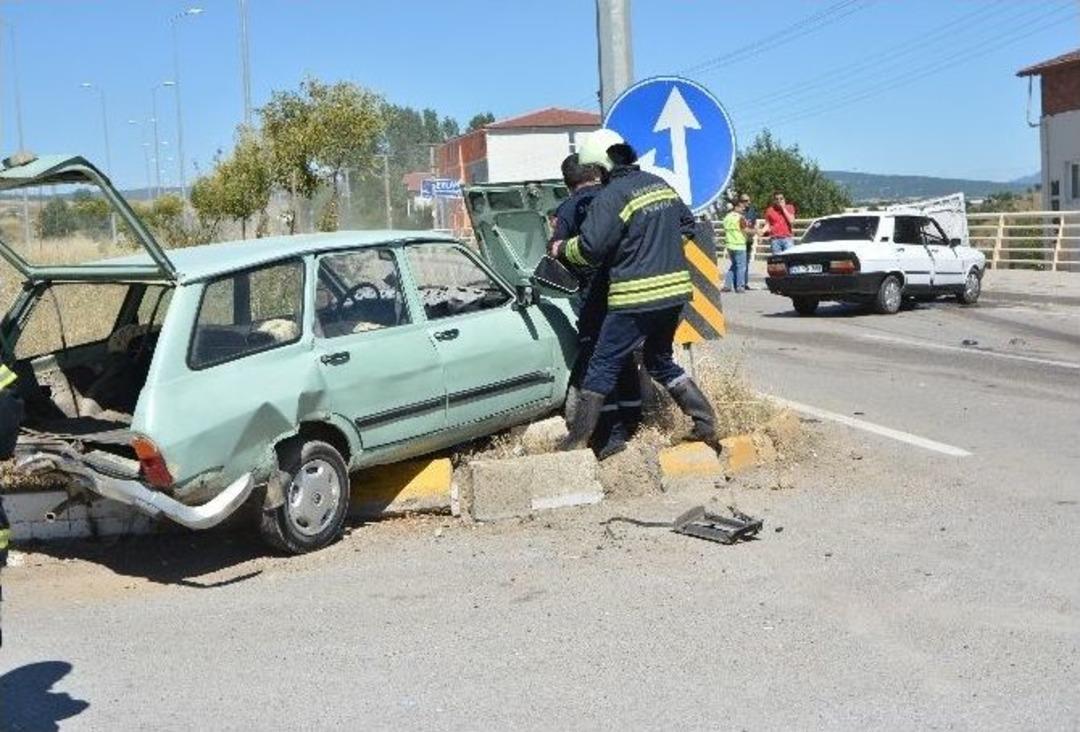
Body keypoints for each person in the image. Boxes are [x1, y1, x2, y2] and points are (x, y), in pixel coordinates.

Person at [549, 129, 719, 451]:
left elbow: (589, 249)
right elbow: (687, 226)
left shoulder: (611, 196)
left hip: (634, 297)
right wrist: (657, 251)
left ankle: (577, 439)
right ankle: (705, 422)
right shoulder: (659, 185)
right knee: (659, 360)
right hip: (674, 293)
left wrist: (560, 249)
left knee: (601, 366)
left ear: (600, 167)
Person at [551, 153, 641, 459]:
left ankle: (609, 434)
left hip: (591, 296)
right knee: (625, 355)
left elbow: (556, 252)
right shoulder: (615, 197)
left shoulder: (568, 208)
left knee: (597, 360)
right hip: (625, 289)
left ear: (567, 183)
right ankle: (633, 419)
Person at [723, 198, 750, 293]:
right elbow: (745, 230)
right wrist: (756, 231)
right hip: (739, 245)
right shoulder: (740, 217)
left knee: (734, 265)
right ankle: (740, 287)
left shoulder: (727, 217)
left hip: (730, 245)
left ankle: (727, 285)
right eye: (742, 207)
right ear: (736, 207)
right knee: (741, 267)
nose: (743, 209)